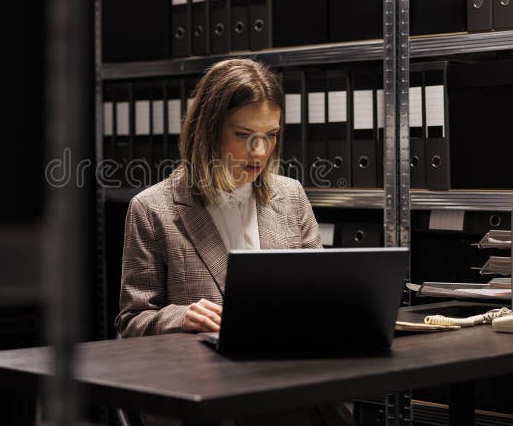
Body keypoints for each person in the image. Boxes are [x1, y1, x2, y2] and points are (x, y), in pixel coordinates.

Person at [115, 59, 355, 426]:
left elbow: (318, 297)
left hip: (294, 396)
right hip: (209, 403)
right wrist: (181, 316)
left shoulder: (290, 197)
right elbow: (130, 324)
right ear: (207, 131)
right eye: (243, 136)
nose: (260, 151)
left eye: (271, 135)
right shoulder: (152, 209)